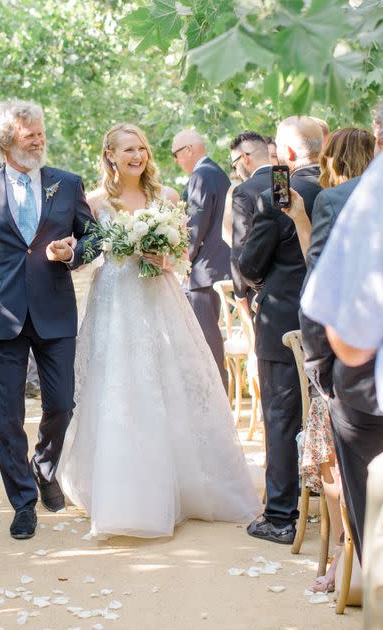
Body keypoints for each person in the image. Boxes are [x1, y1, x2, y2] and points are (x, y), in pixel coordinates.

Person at [59, 123, 259, 539]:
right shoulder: (94, 203)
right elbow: (90, 250)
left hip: (158, 296)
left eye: (143, 149)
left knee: (167, 382)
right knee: (116, 387)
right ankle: (122, 495)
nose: (138, 156)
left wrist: (163, 256)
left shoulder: (167, 197)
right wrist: (69, 252)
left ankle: (179, 486)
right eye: (129, 149)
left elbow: (183, 254)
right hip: (114, 300)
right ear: (110, 155)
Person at [0, 100, 93, 539]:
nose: (38, 137)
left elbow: (92, 238)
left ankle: (45, 464)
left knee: (61, 404)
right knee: (7, 416)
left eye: (40, 130)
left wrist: (73, 252)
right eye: (28, 132)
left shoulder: (67, 184)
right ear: (5, 141)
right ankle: (22, 500)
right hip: (2, 314)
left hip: (55, 309)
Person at [286, 127, 375, 590]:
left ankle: (356, 562)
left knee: (345, 463)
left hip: (358, 374)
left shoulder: (335, 200)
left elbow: (318, 290)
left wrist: (322, 370)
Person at [239, 116, 323, 545]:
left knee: (281, 414)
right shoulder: (340, 189)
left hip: (284, 321)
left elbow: (249, 265)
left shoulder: (281, 197)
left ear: (286, 154)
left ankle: (280, 513)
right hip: (333, 323)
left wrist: (261, 285)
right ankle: (320, 495)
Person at [301, 149, 383, 564]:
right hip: (361, 382)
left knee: (373, 516)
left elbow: (320, 301)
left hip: (364, 384)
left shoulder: (340, 200)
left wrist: (323, 372)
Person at [171, 129, 231, 387]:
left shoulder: (201, 176)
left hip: (203, 274)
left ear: (188, 150)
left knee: (206, 344)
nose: (176, 161)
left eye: (176, 155)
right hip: (218, 268)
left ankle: (216, 397)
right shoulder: (218, 174)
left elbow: (194, 227)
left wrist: (181, 261)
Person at [228, 131, 273, 310]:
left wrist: (240, 293)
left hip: (263, 291)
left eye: (234, 164)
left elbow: (241, 244)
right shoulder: (291, 181)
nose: (236, 170)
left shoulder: (244, 191)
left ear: (245, 158)